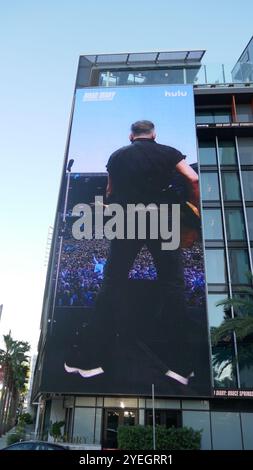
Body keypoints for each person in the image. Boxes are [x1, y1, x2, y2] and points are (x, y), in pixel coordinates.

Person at [65, 120, 200, 384]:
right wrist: (193, 207)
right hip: (163, 220)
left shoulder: (117, 156)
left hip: (128, 220)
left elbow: (110, 191)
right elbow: (192, 178)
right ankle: (182, 367)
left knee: (112, 285)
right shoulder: (169, 152)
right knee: (173, 286)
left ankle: (90, 361)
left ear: (131, 136)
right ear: (154, 135)